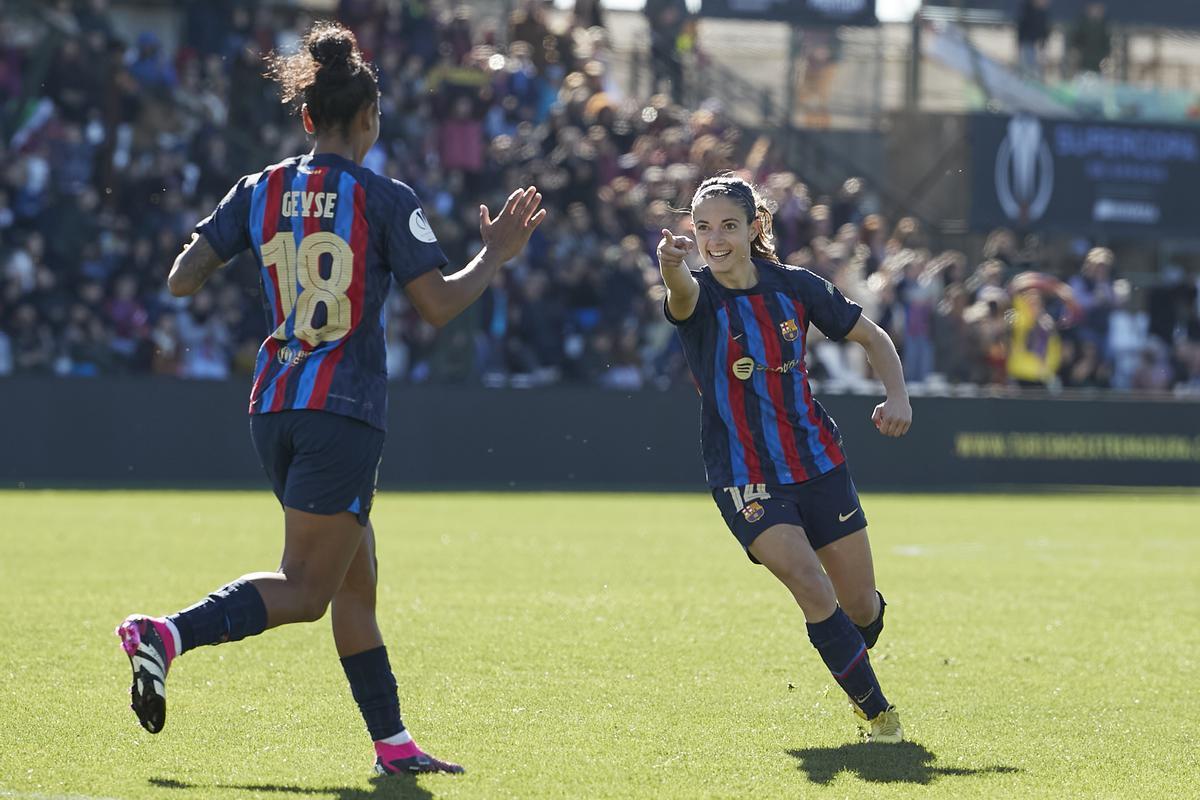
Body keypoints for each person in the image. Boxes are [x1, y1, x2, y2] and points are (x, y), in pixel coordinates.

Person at [114, 22, 545, 777]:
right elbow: (438, 305)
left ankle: (393, 745)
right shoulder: (384, 196)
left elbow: (183, 278)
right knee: (309, 589)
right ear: (370, 120)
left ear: (307, 118)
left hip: (274, 403)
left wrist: (240, 235)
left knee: (356, 575)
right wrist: (495, 255)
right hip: (341, 408)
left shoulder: (259, 188)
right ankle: (166, 634)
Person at [656, 174, 911, 743]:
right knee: (808, 582)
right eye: (701, 228)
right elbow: (678, 290)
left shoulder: (796, 287)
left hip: (818, 461)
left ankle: (850, 646)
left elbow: (872, 337)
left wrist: (897, 395)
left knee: (861, 609)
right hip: (743, 474)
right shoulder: (697, 292)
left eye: (726, 226)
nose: (713, 240)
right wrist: (669, 264)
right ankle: (879, 716)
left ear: (754, 227)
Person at [1016, 0, 1051, 79]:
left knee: (1038, 64)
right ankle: (1028, 78)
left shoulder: (1043, 13)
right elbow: (1022, 28)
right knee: (1029, 64)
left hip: (1038, 44)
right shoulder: (1027, 11)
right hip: (1028, 42)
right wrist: (1020, 42)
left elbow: (1044, 30)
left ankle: (1035, 78)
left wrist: (1043, 43)